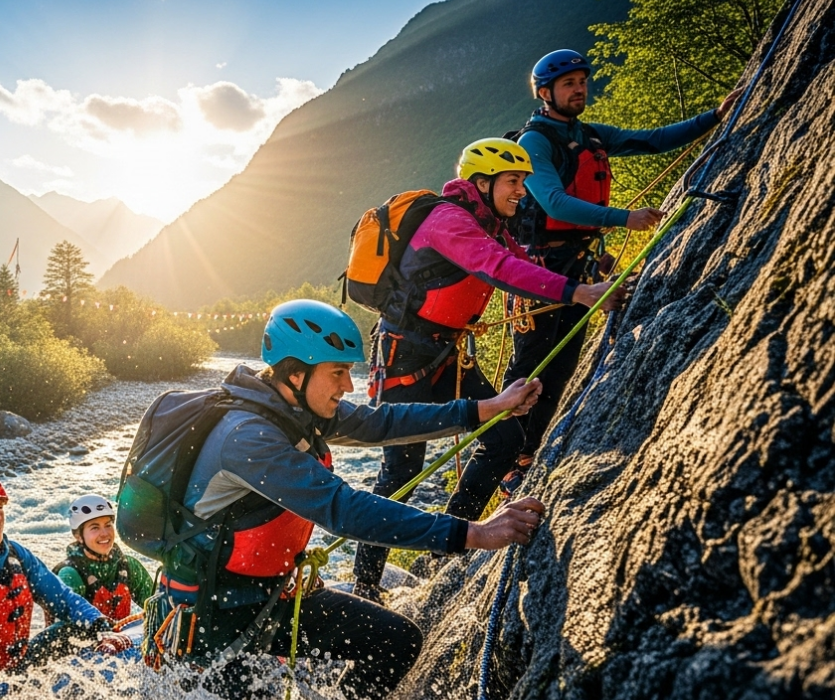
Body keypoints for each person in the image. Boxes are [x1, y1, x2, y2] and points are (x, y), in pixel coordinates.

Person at [152, 299, 545, 699]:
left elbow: (380, 423)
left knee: (396, 640)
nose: (349, 385)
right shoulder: (248, 437)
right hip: (214, 619)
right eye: (338, 372)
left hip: (271, 597)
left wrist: (487, 408)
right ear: (297, 372)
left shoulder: (293, 408)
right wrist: (474, 534)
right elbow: (343, 509)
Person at [351, 138, 617, 598]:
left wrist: (591, 270)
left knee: (504, 438)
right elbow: (497, 268)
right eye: (513, 181)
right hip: (406, 355)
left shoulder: (489, 221)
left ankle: (447, 548)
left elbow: (521, 261)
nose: (520, 191)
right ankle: (365, 582)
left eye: (522, 182)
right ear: (483, 181)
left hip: (445, 353)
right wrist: (577, 292)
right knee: (400, 470)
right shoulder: (449, 220)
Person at [501, 49, 743, 488]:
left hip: (577, 262)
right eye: (569, 84)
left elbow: (651, 139)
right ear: (545, 92)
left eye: (582, 81)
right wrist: (623, 217)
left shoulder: (588, 135)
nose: (579, 89)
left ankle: (527, 459)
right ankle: (504, 455)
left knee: (563, 364)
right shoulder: (534, 142)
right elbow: (553, 201)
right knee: (532, 364)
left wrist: (714, 116)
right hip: (543, 267)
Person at [0, 471, 133, 697]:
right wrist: (15, 693)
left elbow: (63, 599)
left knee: (80, 627)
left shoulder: (15, 555)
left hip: (14, 667)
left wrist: (99, 626)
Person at [54, 494, 155, 623]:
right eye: (95, 528)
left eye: (108, 525)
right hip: (85, 641)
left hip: (122, 639)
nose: (105, 533)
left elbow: (157, 609)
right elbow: (64, 631)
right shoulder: (70, 575)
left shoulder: (129, 566)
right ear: (78, 536)